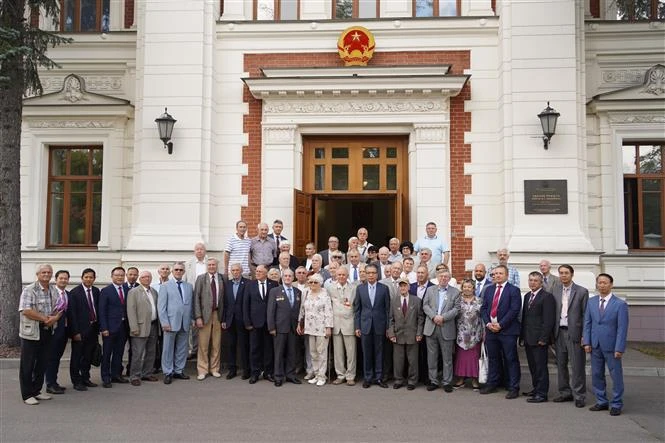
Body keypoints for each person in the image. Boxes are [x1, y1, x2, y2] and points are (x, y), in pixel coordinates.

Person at [583, 273, 629, 416]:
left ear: (611, 285)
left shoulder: (620, 304)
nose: (602, 285)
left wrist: (619, 347)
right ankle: (601, 401)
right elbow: (587, 323)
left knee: (616, 375)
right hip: (595, 344)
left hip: (612, 346)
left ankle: (616, 403)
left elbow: (622, 328)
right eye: (599, 283)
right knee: (597, 374)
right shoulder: (591, 302)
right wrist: (587, 342)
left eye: (605, 283)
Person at [18, 264, 62, 405]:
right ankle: (27, 394)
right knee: (28, 364)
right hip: (32, 332)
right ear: (37, 274)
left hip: (48, 331)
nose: (47, 274)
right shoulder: (29, 290)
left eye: (49, 272)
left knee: (42, 363)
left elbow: (59, 308)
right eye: (43, 272)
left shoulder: (53, 290)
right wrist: (45, 319)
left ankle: (36, 390)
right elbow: (26, 310)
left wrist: (55, 318)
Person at [479, 265, 522, 399]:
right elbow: (484, 308)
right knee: (493, 358)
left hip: (507, 331)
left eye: (500, 273)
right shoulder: (489, 290)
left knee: (511, 359)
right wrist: (488, 323)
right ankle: (493, 383)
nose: (497, 275)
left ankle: (513, 387)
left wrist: (501, 324)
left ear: (507, 275)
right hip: (491, 330)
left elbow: (514, 310)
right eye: (495, 273)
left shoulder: (514, 290)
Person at [552, 264, 589, 407]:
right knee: (561, 365)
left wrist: (585, 335)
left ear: (572, 274)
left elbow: (586, 315)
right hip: (559, 332)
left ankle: (579, 395)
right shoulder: (555, 290)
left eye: (566, 273)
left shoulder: (581, 291)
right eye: (561, 273)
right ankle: (565, 393)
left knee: (577, 365)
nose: (563, 275)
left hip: (575, 333)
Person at [520, 271, 555, 403]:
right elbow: (525, 318)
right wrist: (522, 336)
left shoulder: (547, 297)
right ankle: (536, 389)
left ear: (541, 282)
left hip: (539, 339)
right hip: (528, 337)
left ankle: (542, 393)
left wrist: (544, 338)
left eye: (535, 280)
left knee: (541, 367)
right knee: (533, 366)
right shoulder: (527, 295)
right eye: (530, 280)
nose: (532, 283)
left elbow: (548, 320)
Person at [353, 264, 391, 389]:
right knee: (367, 353)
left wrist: (388, 328)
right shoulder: (360, 289)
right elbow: (357, 309)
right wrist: (357, 326)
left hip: (380, 325)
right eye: (368, 273)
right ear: (365, 274)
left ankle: (379, 378)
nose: (370, 275)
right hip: (365, 326)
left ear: (377, 274)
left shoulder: (384, 288)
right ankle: (368, 377)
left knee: (380, 353)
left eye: (373, 273)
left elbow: (387, 310)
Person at [422, 269, 460, 392]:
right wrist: (434, 316)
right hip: (431, 327)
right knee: (431, 357)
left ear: (449, 279)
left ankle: (447, 381)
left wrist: (443, 317)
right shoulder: (430, 290)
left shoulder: (455, 292)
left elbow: (456, 309)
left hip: (446, 327)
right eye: (441, 276)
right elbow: (425, 305)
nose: (443, 278)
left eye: (446, 277)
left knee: (447, 357)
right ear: (437, 277)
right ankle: (433, 380)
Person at [158, 262, 193, 384]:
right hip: (170, 323)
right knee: (167, 349)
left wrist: (191, 319)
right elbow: (161, 307)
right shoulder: (165, 286)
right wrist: (164, 322)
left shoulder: (188, 286)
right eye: (176, 270)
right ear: (172, 272)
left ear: (183, 272)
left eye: (181, 270)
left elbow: (190, 305)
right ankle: (168, 372)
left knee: (182, 348)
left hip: (185, 322)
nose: (178, 271)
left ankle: (179, 370)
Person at [267, 269, 302, 386]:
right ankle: (278, 376)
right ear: (282, 278)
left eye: (290, 276)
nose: (287, 278)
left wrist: (299, 325)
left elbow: (298, 311)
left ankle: (290, 375)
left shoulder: (297, 292)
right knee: (279, 353)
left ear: (293, 278)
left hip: (293, 328)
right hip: (279, 327)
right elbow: (270, 311)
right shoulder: (275, 291)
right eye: (285, 276)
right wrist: (271, 327)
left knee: (292, 352)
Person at [243, 265, 278, 383]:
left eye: (260, 271)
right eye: (256, 271)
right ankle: (255, 373)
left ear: (266, 273)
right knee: (254, 349)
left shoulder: (273, 284)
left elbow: (276, 305)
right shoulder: (250, 285)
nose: (257, 273)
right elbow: (245, 304)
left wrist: (274, 323)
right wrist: (247, 322)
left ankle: (268, 372)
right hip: (254, 323)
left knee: (268, 349)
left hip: (269, 323)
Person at [388, 278, 424, 390]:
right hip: (398, 335)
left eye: (405, 286)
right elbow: (390, 319)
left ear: (409, 287)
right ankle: (398, 380)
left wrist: (419, 333)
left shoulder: (416, 300)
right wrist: (391, 334)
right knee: (398, 360)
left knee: (412, 360)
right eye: (401, 286)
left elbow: (420, 318)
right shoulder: (394, 301)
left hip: (412, 334)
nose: (403, 288)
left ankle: (412, 381)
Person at [298, 273, 333, 386]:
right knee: (313, 353)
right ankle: (316, 374)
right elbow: (302, 310)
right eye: (311, 282)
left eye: (315, 282)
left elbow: (328, 312)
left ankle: (322, 376)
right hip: (309, 327)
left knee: (321, 352)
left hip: (322, 328)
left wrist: (328, 327)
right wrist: (300, 323)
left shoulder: (324, 294)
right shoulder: (306, 292)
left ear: (320, 283)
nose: (312, 284)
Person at [68, 268, 100, 391]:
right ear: (82, 278)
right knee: (77, 357)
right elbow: (72, 314)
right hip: (80, 331)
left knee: (88, 356)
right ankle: (76, 381)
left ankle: (86, 378)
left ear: (94, 279)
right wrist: (75, 332)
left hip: (93, 329)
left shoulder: (97, 291)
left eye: (91, 277)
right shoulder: (75, 292)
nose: (88, 279)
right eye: (86, 277)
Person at [126, 270, 160, 386]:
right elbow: (131, 310)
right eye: (144, 277)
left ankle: (147, 373)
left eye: (149, 277)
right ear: (140, 279)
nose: (147, 279)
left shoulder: (154, 291)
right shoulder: (134, 292)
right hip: (140, 327)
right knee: (138, 352)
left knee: (151, 351)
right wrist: (134, 327)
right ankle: (134, 376)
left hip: (153, 325)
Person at [193, 258, 224, 380]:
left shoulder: (222, 278)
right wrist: (198, 317)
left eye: (213, 265)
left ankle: (215, 368)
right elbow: (196, 298)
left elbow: (224, 299)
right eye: (209, 265)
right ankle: (202, 369)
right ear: (207, 266)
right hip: (204, 316)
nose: (211, 267)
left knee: (216, 343)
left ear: (217, 266)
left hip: (218, 314)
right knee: (203, 344)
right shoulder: (201, 278)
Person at [326, 266, 357, 386]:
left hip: (349, 323)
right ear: (336, 276)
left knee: (351, 352)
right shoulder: (330, 288)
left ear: (347, 276)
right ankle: (340, 375)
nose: (341, 277)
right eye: (339, 275)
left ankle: (350, 376)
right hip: (336, 324)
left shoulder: (353, 288)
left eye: (343, 275)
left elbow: (354, 306)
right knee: (338, 352)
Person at [99, 267, 130, 388]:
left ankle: (116, 375)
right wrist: (104, 328)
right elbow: (102, 311)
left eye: (122, 275)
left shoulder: (127, 290)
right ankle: (106, 377)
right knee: (107, 354)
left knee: (119, 352)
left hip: (123, 327)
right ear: (112, 276)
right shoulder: (106, 291)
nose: (120, 277)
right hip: (109, 328)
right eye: (117, 275)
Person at [453, 279, 484, 390]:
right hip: (461, 334)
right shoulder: (457, 301)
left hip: (475, 334)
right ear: (462, 288)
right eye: (465, 286)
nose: (467, 289)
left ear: (473, 288)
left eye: (469, 287)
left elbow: (483, 317)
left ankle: (475, 380)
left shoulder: (479, 301)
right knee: (461, 358)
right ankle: (461, 379)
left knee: (474, 358)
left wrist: (484, 333)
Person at [223, 262, 250, 380]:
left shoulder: (248, 283)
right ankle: (232, 370)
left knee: (244, 346)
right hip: (230, 320)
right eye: (233, 270)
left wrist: (248, 320)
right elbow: (224, 303)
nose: (235, 272)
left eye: (237, 270)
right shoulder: (227, 284)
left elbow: (249, 303)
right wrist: (223, 319)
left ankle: (246, 370)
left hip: (242, 319)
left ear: (241, 271)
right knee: (231, 346)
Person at [45, 270, 71, 395]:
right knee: (51, 358)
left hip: (64, 331)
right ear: (56, 279)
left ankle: (54, 382)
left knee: (57, 358)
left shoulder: (67, 294)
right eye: (61, 278)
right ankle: (50, 384)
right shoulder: (50, 293)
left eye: (66, 278)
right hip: (53, 331)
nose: (63, 280)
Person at [185, 242, 208, 358]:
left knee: (206, 324)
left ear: (205, 251)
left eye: (201, 249)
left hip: (207, 297)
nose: (199, 251)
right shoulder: (188, 264)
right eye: (197, 249)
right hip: (193, 296)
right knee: (193, 324)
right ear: (194, 251)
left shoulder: (210, 263)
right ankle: (193, 349)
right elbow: (184, 281)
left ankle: (204, 351)